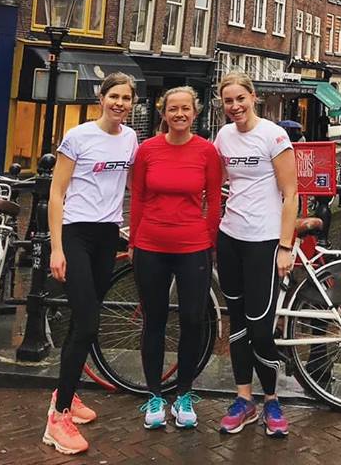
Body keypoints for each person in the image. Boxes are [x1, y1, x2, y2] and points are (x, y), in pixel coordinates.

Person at [43, 73, 139, 456]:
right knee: (86, 323)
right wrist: (56, 248)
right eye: (114, 96)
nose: (119, 103)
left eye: (126, 98)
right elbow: (56, 192)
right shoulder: (78, 136)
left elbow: (133, 186)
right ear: (101, 98)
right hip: (76, 235)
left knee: (83, 320)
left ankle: (63, 394)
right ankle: (57, 419)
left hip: (107, 234)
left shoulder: (130, 138)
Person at [129, 87, 221, 430]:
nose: (179, 114)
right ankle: (154, 395)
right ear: (163, 113)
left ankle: (184, 394)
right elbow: (138, 197)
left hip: (192, 246)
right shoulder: (147, 150)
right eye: (173, 109)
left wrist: (208, 239)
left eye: (185, 108)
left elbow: (214, 199)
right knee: (153, 320)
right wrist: (135, 240)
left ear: (195, 112)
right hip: (151, 244)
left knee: (192, 320)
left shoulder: (207, 151)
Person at [214, 72, 298, 439]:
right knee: (237, 323)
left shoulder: (273, 136)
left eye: (240, 99)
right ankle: (243, 399)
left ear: (253, 97)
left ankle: (272, 400)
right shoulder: (223, 136)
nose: (235, 106)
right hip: (230, 237)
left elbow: (291, 193)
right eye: (228, 101)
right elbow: (218, 181)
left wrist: (285, 245)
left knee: (261, 328)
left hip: (264, 241)